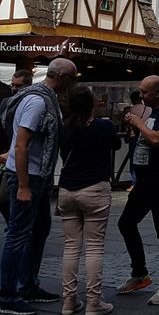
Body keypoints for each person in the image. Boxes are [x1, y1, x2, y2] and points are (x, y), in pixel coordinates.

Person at [0, 57, 78, 315]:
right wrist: (23, 185)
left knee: (40, 229)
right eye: (72, 78)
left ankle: (27, 285)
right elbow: (22, 143)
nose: (72, 83)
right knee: (18, 234)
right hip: (28, 176)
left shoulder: (46, 98)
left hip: (39, 176)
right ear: (62, 77)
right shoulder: (37, 101)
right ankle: (6, 295)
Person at [117, 76, 159, 306]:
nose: (141, 96)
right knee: (126, 223)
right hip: (145, 180)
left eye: (144, 92)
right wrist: (135, 126)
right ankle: (139, 272)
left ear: (157, 92)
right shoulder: (153, 113)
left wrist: (138, 123)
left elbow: (156, 139)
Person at [58, 86, 121, 315]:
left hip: (67, 189)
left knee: (70, 247)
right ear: (93, 104)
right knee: (94, 248)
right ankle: (94, 303)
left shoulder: (64, 127)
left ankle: (68, 301)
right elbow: (116, 144)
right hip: (95, 189)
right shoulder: (104, 127)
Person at [0, 70, 33, 224]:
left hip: (20, 154)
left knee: (7, 197)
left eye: (18, 86)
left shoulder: (32, 104)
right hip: (7, 152)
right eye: (12, 85)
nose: (14, 88)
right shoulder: (7, 103)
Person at [124, 90, 151, 191]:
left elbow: (125, 123)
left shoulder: (130, 110)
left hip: (134, 137)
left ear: (132, 100)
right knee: (145, 159)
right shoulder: (149, 109)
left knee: (133, 160)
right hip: (146, 135)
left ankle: (134, 182)